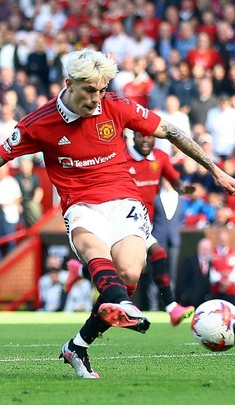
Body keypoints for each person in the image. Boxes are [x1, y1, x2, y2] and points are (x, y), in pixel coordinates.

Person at [0, 49, 235, 379]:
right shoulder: (39, 123)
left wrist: (214, 170)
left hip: (124, 199)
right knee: (95, 251)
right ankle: (121, 305)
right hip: (80, 205)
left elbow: (173, 132)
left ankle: (78, 346)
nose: (97, 99)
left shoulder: (116, 105)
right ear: (69, 84)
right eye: (89, 91)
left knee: (129, 272)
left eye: (101, 90)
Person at [65, 130, 195, 325]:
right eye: (141, 136)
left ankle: (82, 273)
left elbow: (174, 180)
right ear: (132, 137)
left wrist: (183, 189)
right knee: (154, 255)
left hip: (143, 221)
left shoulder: (160, 158)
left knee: (133, 268)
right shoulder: (121, 158)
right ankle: (171, 307)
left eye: (149, 136)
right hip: (120, 218)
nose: (145, 140)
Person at [210, 228, 235, 307]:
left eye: (225, 239)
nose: (223, 241)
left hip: (231, 292)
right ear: (218, 239)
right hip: (216, 291)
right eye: (221, 239)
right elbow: (210, 271)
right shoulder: (211, 254)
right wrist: (220, 280)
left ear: (229, 239)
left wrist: (228, 281)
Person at [175, 237, 213, 309]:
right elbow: (181, 280)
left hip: (204, 303)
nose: (205, 252)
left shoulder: (211, 264)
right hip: (189, 302)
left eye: (207, 250)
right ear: (198, 249)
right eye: (203, 249)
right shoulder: (190, 261)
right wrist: (184, 296)